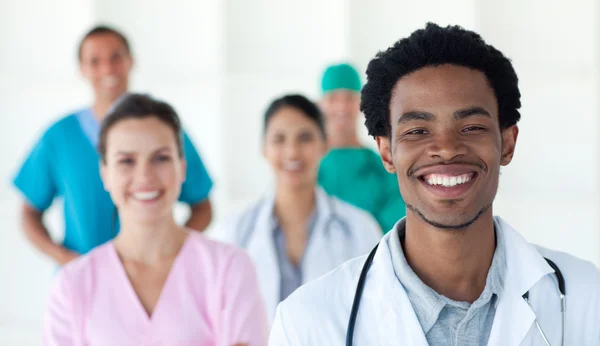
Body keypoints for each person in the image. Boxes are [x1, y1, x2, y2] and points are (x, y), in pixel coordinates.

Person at [269, 23, 600, 345]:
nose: (446, 148)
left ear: (508, 143)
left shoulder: (587, 300)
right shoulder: (307, 324)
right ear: (387, 152)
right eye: (417, 131)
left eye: (471, 127)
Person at [42, 94, 268, 346]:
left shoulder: (228, 269)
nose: (145, 177)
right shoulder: (72, 285)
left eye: (160, 158)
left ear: (182, 168)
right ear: (105, 174)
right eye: (126, 161)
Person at [13, 25, 213, 265]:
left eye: (116, 57)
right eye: (95, 61)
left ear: (131, 61)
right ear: (82, 69)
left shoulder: (165, 130)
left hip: (157, 279)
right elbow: (29, 213)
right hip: (83, 285)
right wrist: (70, 262)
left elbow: (202, 206)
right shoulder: (59, 137)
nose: (107, 68)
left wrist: (169, 255)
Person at [211, 94, 381, 323]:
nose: (292, 152)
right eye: (279, 139)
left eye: (305, 138)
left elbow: (377, 316)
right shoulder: (233, 232)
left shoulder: (360, 228)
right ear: (264, 148)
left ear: (324, 144)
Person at [318, 62, 406, 232]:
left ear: (361, 103)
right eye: (333, 98)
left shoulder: (381, 167)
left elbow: (395, 229)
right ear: (320, 104)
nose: (341, 107)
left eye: (349, 98)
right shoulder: (309, 168)